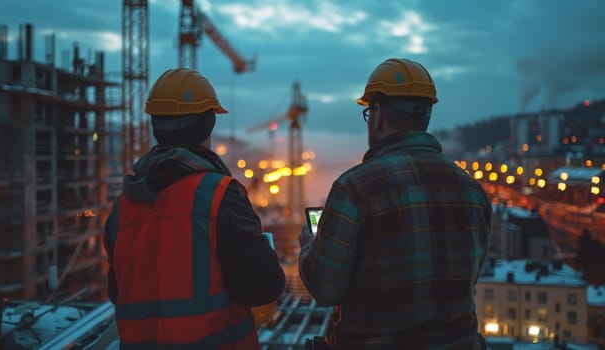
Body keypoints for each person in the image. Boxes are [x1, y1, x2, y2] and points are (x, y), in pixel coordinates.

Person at [298, 58, 492, 349]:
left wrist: (309, 245)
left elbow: (326, 289)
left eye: (368, 112)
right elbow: (468, 278)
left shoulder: (355, 188)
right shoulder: (472, 190)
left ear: (376, 113)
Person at [104, 68, 285, 349]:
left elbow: (120, 293)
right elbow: (263, 287)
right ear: (208, 124)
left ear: (155, 125)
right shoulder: (220, 196)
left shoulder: (123, 207)